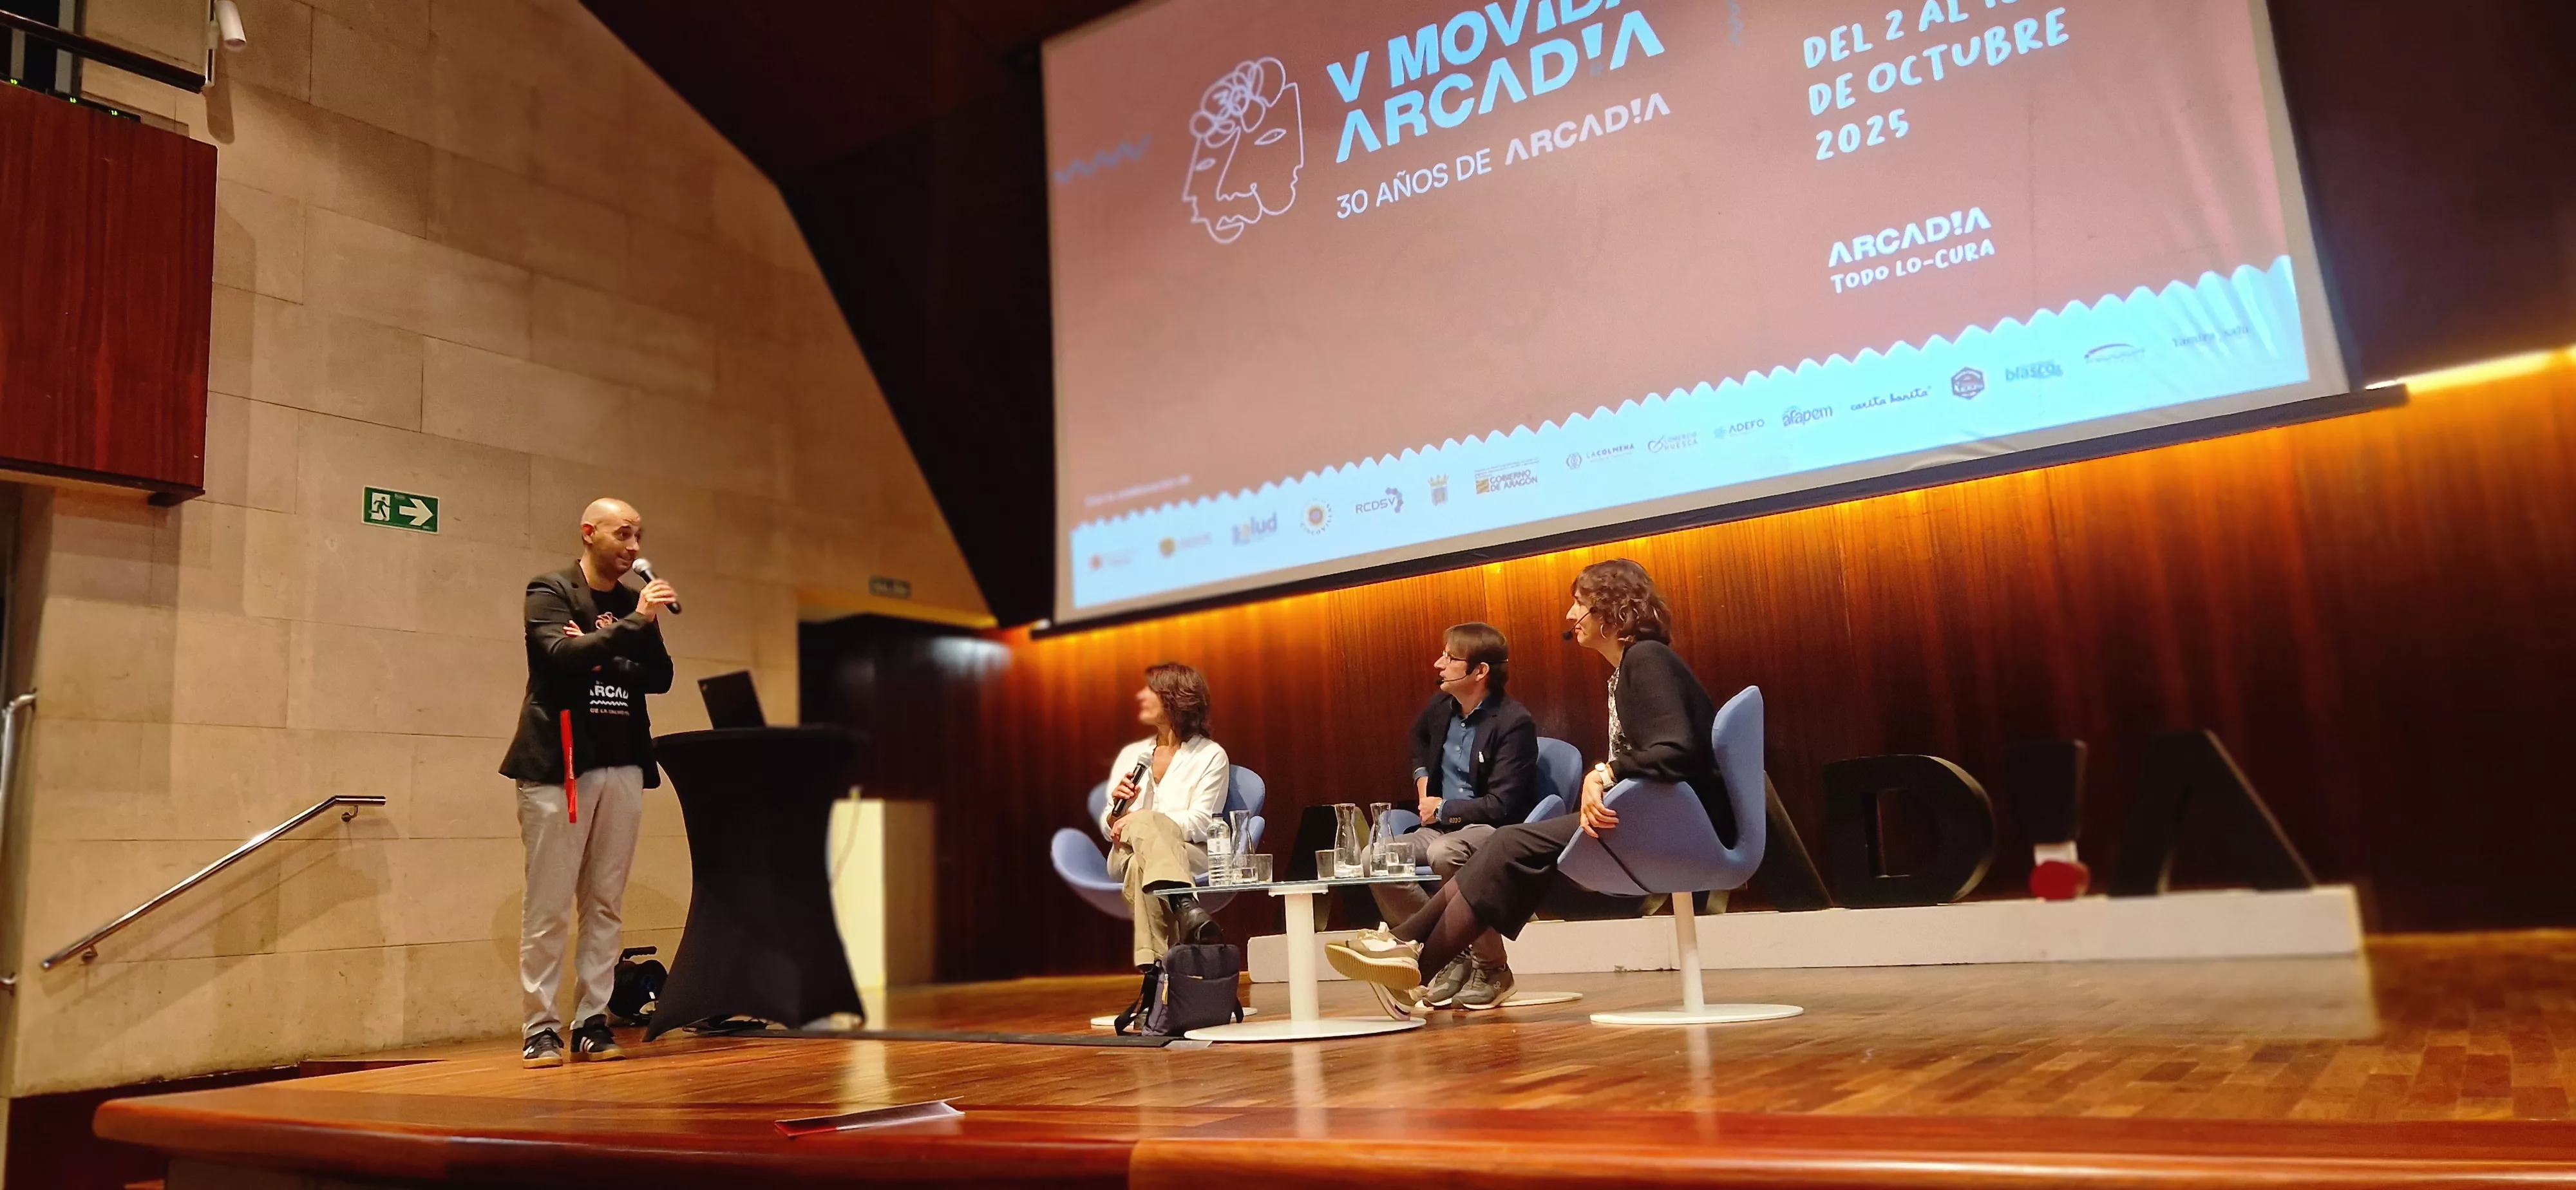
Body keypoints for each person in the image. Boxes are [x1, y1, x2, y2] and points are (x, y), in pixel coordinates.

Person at [1327, 560, 1728, 1019]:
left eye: (1579, 603)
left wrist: (1605, 773)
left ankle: (1408, 951)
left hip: (1683, 824)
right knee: (1507, 846)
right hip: (1653, 815)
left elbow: (1679, 749)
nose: (1569, 615)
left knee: (1509, 842)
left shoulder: (1647, 659)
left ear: (1612, 607)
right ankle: (1410, 956)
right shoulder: (1629, 668)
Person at [499, 498, 677, 1068]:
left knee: (605, 903)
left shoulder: (631, 603)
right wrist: (633, 628)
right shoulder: (548, 589)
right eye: (623, 534)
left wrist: (602, 654)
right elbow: (557, 655)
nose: (634, 546)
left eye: (639, 535)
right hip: (560, 764)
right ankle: (541, 1026)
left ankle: (592, 1022)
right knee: (549, 904)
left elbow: (662, 678)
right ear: (589, 533)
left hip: (623, 760)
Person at [1367, 623, 1540, 1010]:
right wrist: (1422, 781)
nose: (1439, 664)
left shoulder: (1514, 722)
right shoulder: (1441, 706)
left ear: (1480, 671)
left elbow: (1502, 805)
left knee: (1446, 853)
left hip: (1491, 830)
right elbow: (1417, 742)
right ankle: (1451, 950)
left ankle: (1493, 969)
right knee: (1373, 858)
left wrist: (1443, 808)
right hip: (1437, 828)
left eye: (1450, 657)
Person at [1101, 663, 1232, 968]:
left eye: (1150, 690)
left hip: (1190, 853)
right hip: (1126, 850)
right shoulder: (1134, 755)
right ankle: (1185, 905)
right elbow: (1111, 825)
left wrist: (1144, 818)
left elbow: (1202, 824)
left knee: (1140, 865)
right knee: (1140, 839)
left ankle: (1156, 971)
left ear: (1175, 698)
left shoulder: (1209, 756)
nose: (1140, 696)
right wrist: (1118, 815)